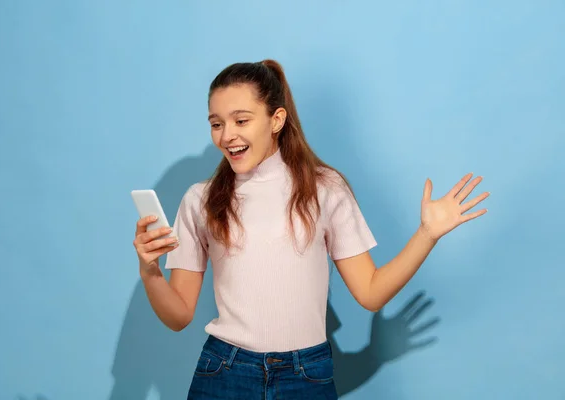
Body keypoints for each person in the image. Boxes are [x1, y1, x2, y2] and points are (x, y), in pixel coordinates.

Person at [132, 59, 489, 399]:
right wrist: (149, 271)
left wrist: (426, 234)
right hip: (224, 373)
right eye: (216, 124)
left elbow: (369, 292)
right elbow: (179, 316)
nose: (227, 136)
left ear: (276, 119)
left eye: (241, 120)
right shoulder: (201, 199)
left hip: (306, 374)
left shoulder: (325, 189)